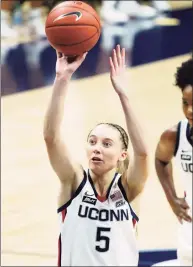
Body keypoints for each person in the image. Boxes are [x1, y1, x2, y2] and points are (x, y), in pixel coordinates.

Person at [43, 44, 149, 266]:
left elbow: (142, 152)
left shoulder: (128, 189)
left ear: (122, 155)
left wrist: (123, 95)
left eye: (106, 144)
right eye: (92, 142)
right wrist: (62, 78)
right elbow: (51, 138)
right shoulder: (74, 180)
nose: (96, 148)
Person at [155, 58, 193, 266]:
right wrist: (172, 198)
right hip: (190, 232)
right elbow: (160, 161)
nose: (190, 111)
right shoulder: (174, 136)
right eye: (185, 102)